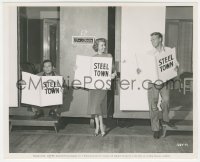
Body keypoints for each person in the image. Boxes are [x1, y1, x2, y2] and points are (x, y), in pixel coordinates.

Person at [138, 32, 179, 139]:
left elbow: (175, 64)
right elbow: (143, 68)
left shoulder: (169, 51)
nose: (152, 42)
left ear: (160, 39)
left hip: (165, 81)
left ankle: (165, 120)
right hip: (152, 83)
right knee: (153, 106)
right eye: (151, 40)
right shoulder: (149, 53)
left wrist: (175, 67)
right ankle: (156, 129)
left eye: (154, 39)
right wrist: (139, 70)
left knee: (166, 101)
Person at [87, 38, 117, 137]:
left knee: (97, 105)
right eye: (101, 45)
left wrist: (113, 75)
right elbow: (89, 72)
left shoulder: (109, 56)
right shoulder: (93, 57)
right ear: (97, 46)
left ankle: (100, 127)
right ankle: (98, 127)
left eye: (104, 45)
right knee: (96, 107)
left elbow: (113, 70)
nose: (104, 47)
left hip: (103, 85)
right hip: (94, 86)